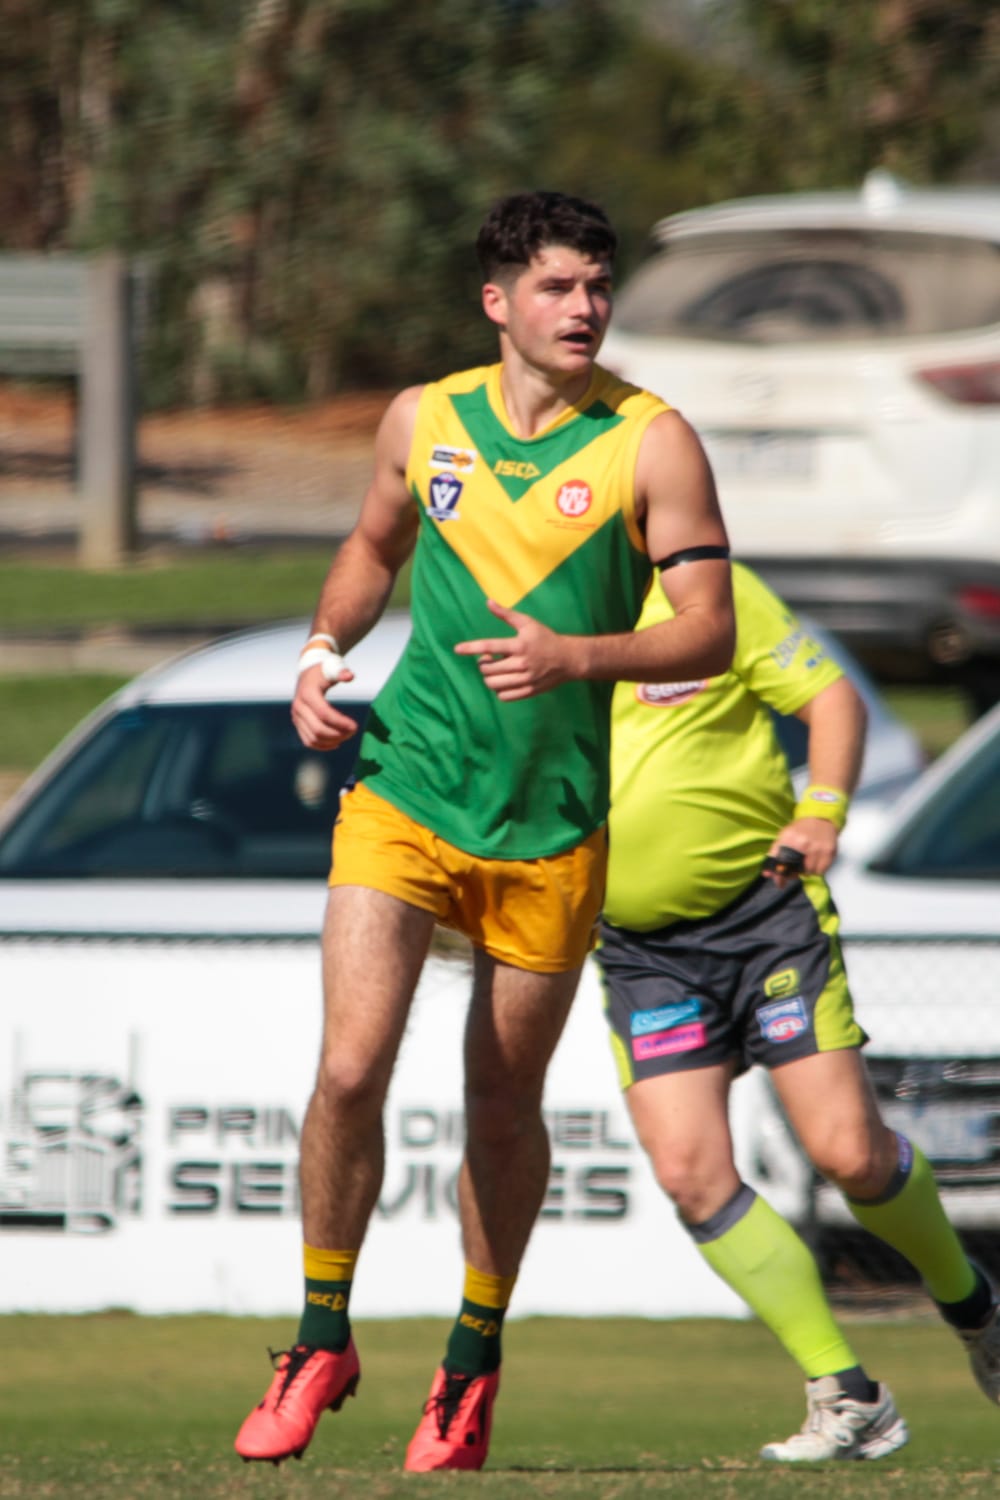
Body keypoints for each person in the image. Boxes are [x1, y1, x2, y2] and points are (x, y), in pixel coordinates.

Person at [233, 189, 735, 1472]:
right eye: (560, 287)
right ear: (497, 302)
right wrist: (320, 647)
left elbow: (709, 629)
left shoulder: (653, 441)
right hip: (404, 786)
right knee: (350, 1070)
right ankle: (318, 1336)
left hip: (549, 826)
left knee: (499, 1107)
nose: (586, 308)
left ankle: (468, 1362)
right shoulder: (426, 417)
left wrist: (582, 653)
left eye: (598, 285)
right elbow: (370, 543)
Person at [596, 560, 1000, 1463]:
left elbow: (834, 703)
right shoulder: (534, 618)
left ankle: (973, 1306)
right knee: (691, 1174)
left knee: (850, 1154)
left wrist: (822, 812)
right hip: (641, 950)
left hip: (766, 917)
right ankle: (847, 1395)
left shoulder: (710, 594)